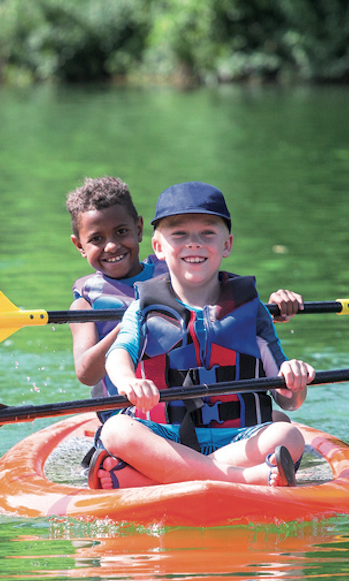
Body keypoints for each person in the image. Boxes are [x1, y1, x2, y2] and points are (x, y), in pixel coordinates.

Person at [88, 181, 313, 490]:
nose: (193, 243)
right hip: (164, 435)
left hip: (238, 437)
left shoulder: (252, 309)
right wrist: (128, 381)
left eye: (207, 233)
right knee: (116, 430)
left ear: (227, 244)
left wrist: (294, 381)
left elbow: (288, 401)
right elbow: (119, 354)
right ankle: (245, 479)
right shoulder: (143, 306)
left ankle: (148, 477)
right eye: (179, 234)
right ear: (158, 247)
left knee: (287, 434)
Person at [65, 177, 165, 406]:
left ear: (139, 229)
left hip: (181, 407)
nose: (111, 246)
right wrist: (129, 323)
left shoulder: (174, 276)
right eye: (96, 239)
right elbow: (86, 374)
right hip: (125, 415)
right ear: (80, 246)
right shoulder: (85, 305)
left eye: (121, 231)